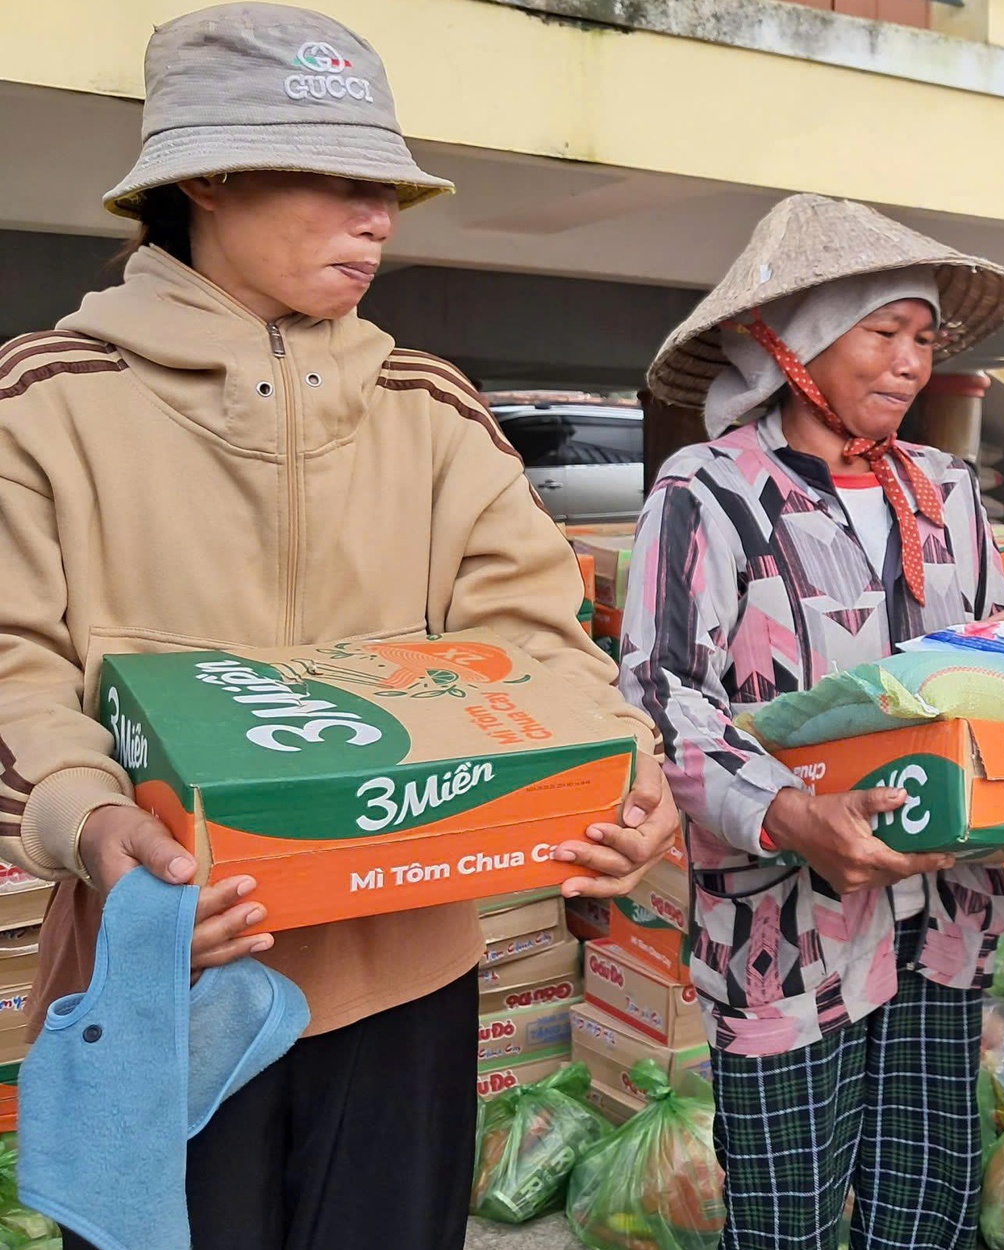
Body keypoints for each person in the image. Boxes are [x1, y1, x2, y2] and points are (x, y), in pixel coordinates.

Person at [0, 7, 679, 1248]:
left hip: (409, 973)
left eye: (390, 190)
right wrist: (95, 824)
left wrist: (622, 772)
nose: (380, 219)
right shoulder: (45, 401)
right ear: (206, 178)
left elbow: (538, 639)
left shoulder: (429, 407)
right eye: (340, 180)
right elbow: (15, 668)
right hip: (167, 970)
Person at [623, 193, 1004, 1250]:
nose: (909, 363)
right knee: (785, 1214)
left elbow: (992, 667)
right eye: (882, 332)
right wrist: (792, 813)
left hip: (944, 911)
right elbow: (663, 694)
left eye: (923, 338)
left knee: (926, 1203)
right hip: (781, 931)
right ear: (795, 342)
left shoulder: (946, 492)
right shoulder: (708, 491)